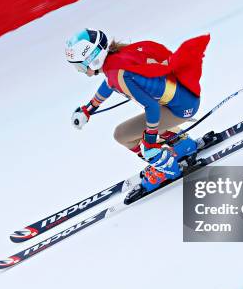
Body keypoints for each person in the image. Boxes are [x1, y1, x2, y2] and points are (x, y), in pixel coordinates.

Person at [66, 28, 210, 193]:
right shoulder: (117, 59)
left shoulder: (116, 73)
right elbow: (109, 84)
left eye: (80, 66)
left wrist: (150, 143)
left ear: (93, 60)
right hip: (183, 98)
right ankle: (182, 144)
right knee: (148, 126)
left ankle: (166, 168)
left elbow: (152, 108)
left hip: (179, 108)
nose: (81, 71)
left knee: (122, 135)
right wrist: (89, 109)